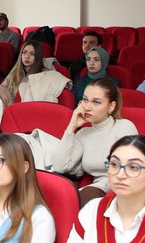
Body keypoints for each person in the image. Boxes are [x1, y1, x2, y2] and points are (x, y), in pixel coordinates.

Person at [50, 78, 138, 207]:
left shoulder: (125, 127)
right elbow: (59, 166)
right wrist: (71, 127)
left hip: (121, 190)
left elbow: (128, 170)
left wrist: (99, 189)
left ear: (111, 106)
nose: (87, 107)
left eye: (96, 102)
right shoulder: (83, 133)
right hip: (96, 192)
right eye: (85, 100)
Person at [2, 41, 71, 102]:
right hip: (12, 108)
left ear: (37, 56)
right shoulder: (15, 71)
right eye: (24, 52)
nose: (27, 56)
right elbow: (3, 88)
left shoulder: (44, 73)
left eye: (32, 54)